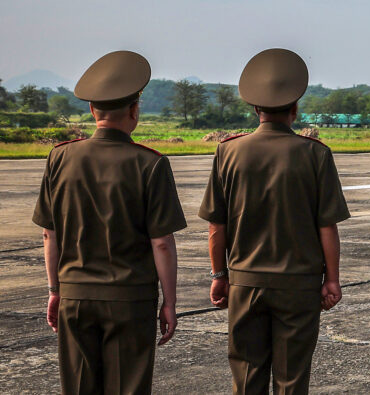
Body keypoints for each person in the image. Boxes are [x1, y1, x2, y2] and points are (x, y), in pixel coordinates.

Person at [32, 50, 187, 394]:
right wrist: (170, 303)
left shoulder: (60, 157)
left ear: (92, 111)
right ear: (134, 111)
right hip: (129, 300)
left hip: (75, 295)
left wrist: (55, 290)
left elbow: (49, 233)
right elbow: (161, 242)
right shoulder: (150, 164)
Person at [198, 48, 350, 395]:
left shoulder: (228, 151)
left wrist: (219, 275)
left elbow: (216, 227)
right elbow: (327, 226)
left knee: (247, 377)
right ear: (295, 108)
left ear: (255, 109)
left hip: (245, 282)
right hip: (298, 284)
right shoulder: (315, 154)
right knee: (292, 378)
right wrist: (333, 280)